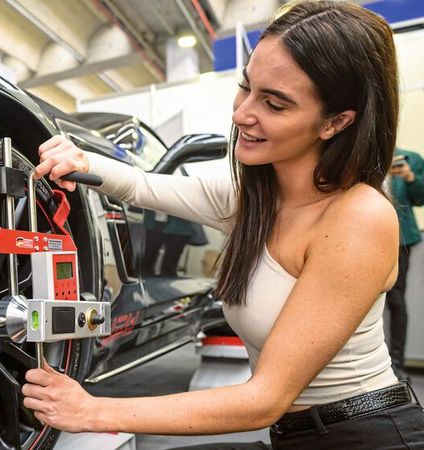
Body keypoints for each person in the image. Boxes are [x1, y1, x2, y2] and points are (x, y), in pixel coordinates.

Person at [23, 1, 424, 448]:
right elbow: (139, 184)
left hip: (368, 437)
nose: (241, 115)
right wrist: (77, 157)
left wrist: (92, 411)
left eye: (274, 104)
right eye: (246, 88)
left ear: (336, 122)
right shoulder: (252, 197)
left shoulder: (359, 217)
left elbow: (264, 399)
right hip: (294, 436)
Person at [387, 149, 424, 381]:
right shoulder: (360, 154)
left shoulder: (410, 159)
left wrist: (411, 177)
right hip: (362, 238)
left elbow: (421, 198)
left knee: (396, 300)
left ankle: (396, 365)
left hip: (401, 241)